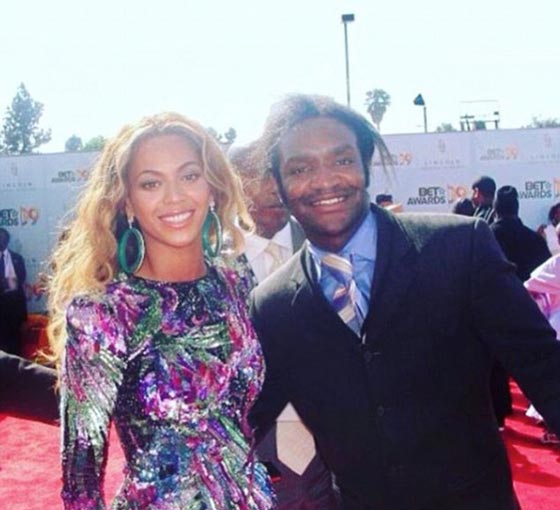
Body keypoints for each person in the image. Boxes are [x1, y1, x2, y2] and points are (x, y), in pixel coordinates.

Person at [249, 94, 560, 510]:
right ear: (279, 183)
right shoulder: (271, 305)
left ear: (366, 165)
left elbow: (545, 368)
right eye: (300, 169)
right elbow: (245, 419)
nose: (324, 181)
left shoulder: (459, 248)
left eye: (342, 160)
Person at [47, 112, 274, 510]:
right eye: (151, 183)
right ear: (127, 202)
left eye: (189, 176)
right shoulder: (104, 314)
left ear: (212, 187)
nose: (174, 197)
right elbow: (81, 481)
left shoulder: (235, 279)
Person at [229, 142, 339, 509]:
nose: (274, 187)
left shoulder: (332, 242)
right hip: (253, 448)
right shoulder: (205, 262)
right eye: (260, 175)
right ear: (231, 183)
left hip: (344, 440)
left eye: (281, 173)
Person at [0, 228, 28, 355]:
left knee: (15, 347)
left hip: (14, 312)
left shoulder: (17, 258)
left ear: (7, 241)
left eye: (3, 238)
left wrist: (23, 317)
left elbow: (20, 287)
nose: (1, 241)